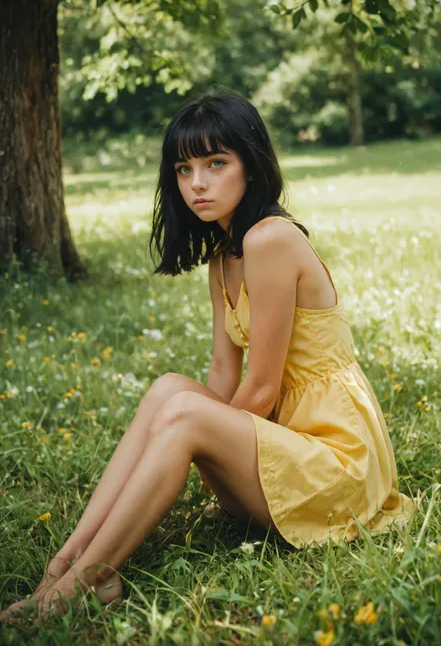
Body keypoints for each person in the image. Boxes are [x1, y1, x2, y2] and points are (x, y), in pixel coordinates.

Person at [1, 87, 416, 623]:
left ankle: (79, 585)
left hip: (336, 469)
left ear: (251, 164)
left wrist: (198, 440)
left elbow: (261, 390)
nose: (197, 183)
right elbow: (223, 374)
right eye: (183, 168)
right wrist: (190, 442)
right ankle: (64, 565)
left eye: (216, 163)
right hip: (286, 450)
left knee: (185, 412)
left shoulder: (271, 239)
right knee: (169, 390)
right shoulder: (224, 254)